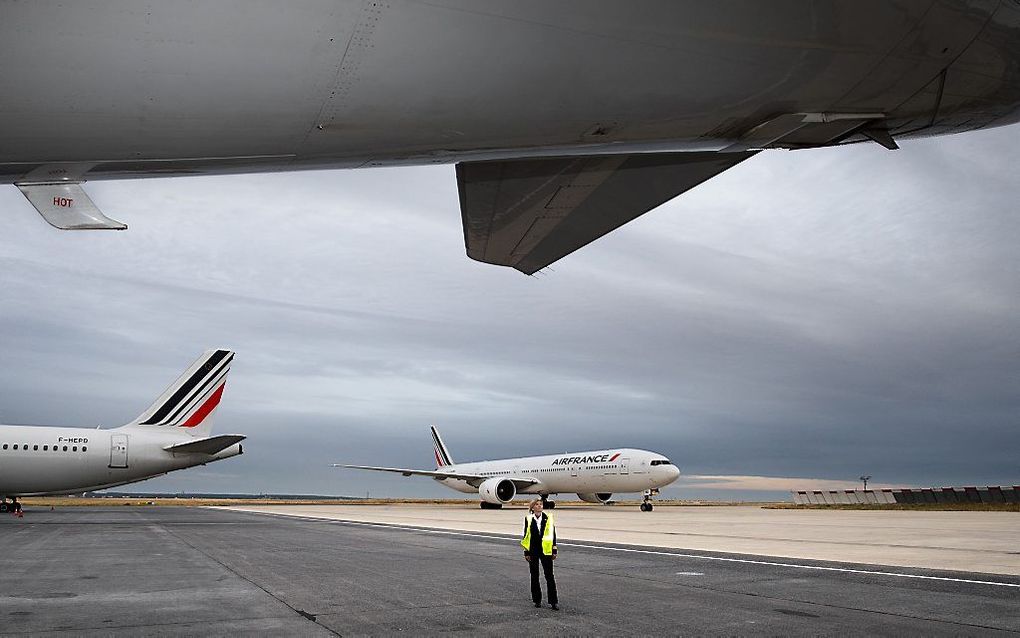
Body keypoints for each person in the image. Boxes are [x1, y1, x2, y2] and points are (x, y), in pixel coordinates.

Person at [521, 498, 558, 610]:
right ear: (532, 507)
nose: (539, 506)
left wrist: (554, 549)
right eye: (537, 504)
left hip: (546, 550)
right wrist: (526, 551)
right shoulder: (528, 519)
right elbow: (526, 535)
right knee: (534, 576)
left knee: (549, 576)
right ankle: (537, 600)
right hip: (533, 550)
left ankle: (553, 601)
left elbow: (553, 534)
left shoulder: (548, 518)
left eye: (541, 504)